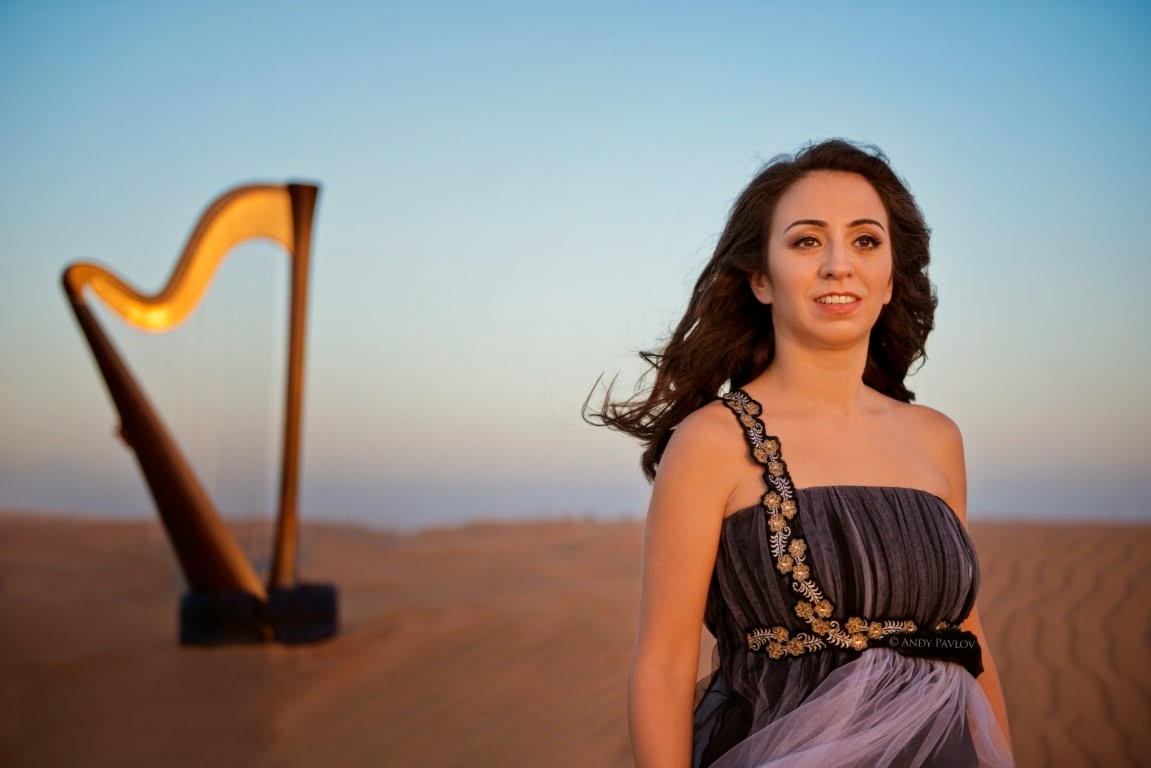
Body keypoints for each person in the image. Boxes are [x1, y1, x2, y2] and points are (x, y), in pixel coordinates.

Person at [586, 139, 1015, 767]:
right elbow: (664, 665)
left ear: (891, 279)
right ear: (761, 279)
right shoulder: (711, 442)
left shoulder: (937, 438)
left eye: (865, 241)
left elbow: (967, 640)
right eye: (807, 241)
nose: (839, 265)